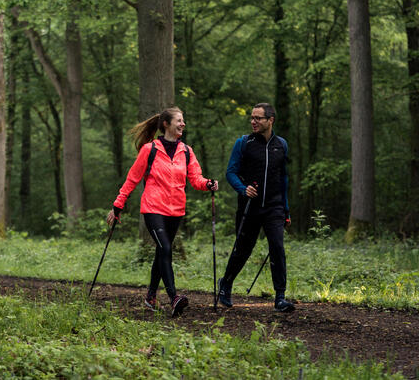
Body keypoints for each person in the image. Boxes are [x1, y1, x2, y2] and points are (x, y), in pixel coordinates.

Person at [106, 107, 218, 317]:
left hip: (176, 210)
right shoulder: (150, 149)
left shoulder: (186, 151)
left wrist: (208, 184)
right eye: (179, 120)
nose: (183, 124)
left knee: (162, 252)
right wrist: (117, 205)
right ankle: (174, 297)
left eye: (183, 120)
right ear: (166, 124)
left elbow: (196, 179)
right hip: (153, 208)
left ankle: (150, 297)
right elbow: (132, 179)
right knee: (165, 247)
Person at [217, 103, 294, 312]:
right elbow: (230, 172)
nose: (253, 121)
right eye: (252, 117)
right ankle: (226, 283)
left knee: (277, 247)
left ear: (271, 120)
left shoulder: (282, 145)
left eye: (258, 118)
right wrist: (243, 189)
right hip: (249, 206)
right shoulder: (244, 143)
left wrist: (286, 210)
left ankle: (280, 298)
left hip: (274, 207)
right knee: (243, 249)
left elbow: (284, 178)